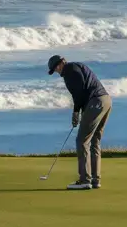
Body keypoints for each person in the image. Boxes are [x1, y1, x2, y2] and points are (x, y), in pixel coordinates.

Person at [47, 54, 112, 190]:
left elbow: (79, 92)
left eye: (56, 68)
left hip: (96, 103)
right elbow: (83, 91)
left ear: (60, 63)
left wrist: (76, 112)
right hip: (106, 101)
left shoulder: (69, 71)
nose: (57, 72)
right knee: (94, 141)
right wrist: (81, 111)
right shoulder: (77, 66)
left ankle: (85, 180)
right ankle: (95, 180)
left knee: (82, 141)